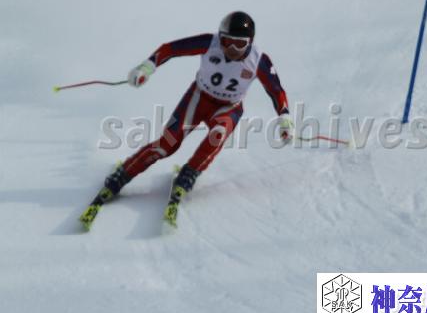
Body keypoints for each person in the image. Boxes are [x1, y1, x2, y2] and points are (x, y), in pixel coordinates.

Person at [79, 11, 292, 228]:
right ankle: (124, 173)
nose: (231, 49)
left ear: (250, 42)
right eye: (227, 41)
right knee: (167, 144)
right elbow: (170, 49)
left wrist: (284, 118)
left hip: (228, 108)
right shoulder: (210, 43)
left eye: (239, 44)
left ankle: (190, 172)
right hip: (198, 99)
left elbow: (276, 91)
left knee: (218, 135)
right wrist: (147, 67)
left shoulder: (258, 60)